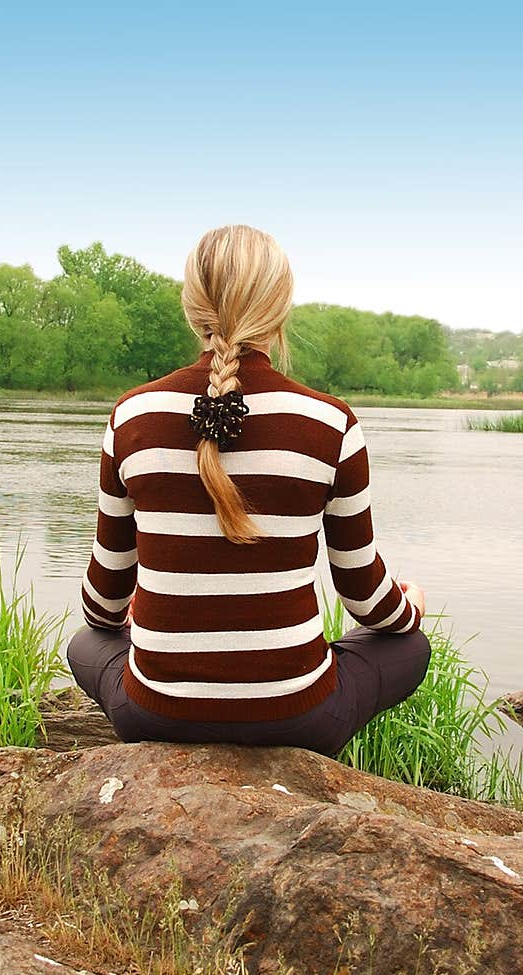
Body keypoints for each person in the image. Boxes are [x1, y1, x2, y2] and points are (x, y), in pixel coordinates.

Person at [66, 224, 430, 759]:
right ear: (279, 309)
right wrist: (411, 610)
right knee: (410, 648)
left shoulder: (132, 416)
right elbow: (364, 597)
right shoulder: (330, 422)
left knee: (84, 644)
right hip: (300, 716)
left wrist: (154, 624)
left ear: (193, 309)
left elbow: (102, 607)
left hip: (154, 713)